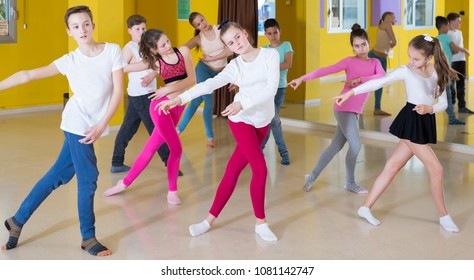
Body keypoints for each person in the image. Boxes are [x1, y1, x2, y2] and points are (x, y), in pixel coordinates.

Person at [0, 5, 124, 256]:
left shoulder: (112, 51)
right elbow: (26, 75)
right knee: (88, 179)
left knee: (58, 175)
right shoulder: (70, 61)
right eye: (76, 26)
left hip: (94, 123)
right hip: (77, 122)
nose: (82, 29)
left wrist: (102, 124)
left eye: (86, 23)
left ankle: (17, 220)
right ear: (69, 31)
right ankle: (88, 238)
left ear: (93, 25)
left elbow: (118, 91)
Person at [157, 22, 279, 241]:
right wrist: (179, 99)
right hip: (240, 118)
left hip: (262, 121)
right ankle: (261, 223)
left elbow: (270, 89)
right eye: (230, 43)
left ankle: (208, 220)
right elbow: (208, 85)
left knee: (232, 170)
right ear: (228, 47)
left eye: (237, 38)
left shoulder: (270, 56)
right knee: (260, 169)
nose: (237, 44)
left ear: (246, 33)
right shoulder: (234, 67)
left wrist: (244, 102)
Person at [333, 34, 459, 233]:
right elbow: (378, 83)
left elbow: (442, 102)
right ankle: (444, 215)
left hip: (424, 118)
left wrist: (430, 109)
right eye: (409, 56)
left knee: (392, 166)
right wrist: (351, 92)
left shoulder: (437, 72)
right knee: (437, 169)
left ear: (429, 57)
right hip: (410, 120)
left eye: (415, 58)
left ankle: (365, 208)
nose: (411, 61)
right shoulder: (406, 71)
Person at [288, 24, 384, 194]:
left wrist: (360, 79)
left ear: (369, 43)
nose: (361, 49)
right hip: (343, 107)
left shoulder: (375, 62)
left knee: (335, 146)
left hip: (354, 111)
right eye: (356, 45)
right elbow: (325, 70)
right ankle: (350, 182)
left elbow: (382, 77)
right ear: (352, 46)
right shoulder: (349, 61)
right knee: (355, 145)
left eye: (363, 44)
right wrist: (302, 78)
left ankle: (311, 176)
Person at [103, 29, 195, 205]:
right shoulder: (155, 63)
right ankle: (172, 191)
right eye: (163, 45)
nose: (168, 46)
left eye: (168, 41)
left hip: (177, 105)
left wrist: (166, 89)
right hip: (161, 107)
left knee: (150, 148)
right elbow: (123, 68)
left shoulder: (183, 51)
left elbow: (191, 80)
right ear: (154, 50)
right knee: (176, 149)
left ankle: (123, 184)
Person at [110, 15, 182, 176]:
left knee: (128, 128)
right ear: (130, 31)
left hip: (148, 92)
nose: (141, 32)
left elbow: (159, 66)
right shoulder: (129, 48)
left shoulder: (150, 46)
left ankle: (116, 162)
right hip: (140, 95)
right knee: (158, 129)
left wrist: (152, 75)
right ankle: (170, 163)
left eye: (143, 29)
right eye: (137, 29)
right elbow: (120, 68)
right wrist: (143, 67)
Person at [176, 12, 233, 148]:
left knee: (196, 100)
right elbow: (181, 50)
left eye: (202, 20)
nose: (203, 24)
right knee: (208, 101)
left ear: (205, 17)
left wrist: (212, 58)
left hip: (221, 72)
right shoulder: (198, 38)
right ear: (196, 27)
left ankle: (178, 129)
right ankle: (210, 137)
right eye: (198, 24)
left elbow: (230, 51)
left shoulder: (220, 29)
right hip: (204, 70)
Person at [260, 18, 294, 165]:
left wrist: (269, 68)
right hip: (266, 89)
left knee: (272, 120)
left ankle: (261, 149)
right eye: (269, 33)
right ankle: (282, 152)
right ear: (265, 34)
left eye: (275, 32)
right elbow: (257, 70)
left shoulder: (286, 45)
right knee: (272, 120)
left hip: (279, 88)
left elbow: (287, 64)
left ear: (280, 32)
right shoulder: (263, 50)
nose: (273, 36)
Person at [435, 16, 464, 125]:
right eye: (447, 25)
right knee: (447, 92)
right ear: (443, 27)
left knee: (443, 91)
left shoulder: (436, 39)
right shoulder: (447, 37)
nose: (448, 28)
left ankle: (449, 112)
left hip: (438, 68)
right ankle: (452, 117)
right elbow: (455, 49)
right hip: (446, 68)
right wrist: (453, 52)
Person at [368, 11, 397, 116]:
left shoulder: (384, 24)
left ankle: (377, 108)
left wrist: (387, 47)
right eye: (394, 17)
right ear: (388, 17)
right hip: (375, 57)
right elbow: (394, 42)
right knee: (370, 82)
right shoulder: (387, 24)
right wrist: (389, 46)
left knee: (379, 83)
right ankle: (375, 108)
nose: (395, 19)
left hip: (381, 58)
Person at [447, 12, 473, 114]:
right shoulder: (447, 34)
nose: (460, 23)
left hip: (461, 61)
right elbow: (453, 49)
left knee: (461, 85)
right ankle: (451, 105)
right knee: (451, 85)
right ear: (452, 21)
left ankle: (462, 107)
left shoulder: (459, 33)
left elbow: (456, 49)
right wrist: (464, 50)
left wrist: (459, 49)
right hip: (451, 62)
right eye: (459, 21)